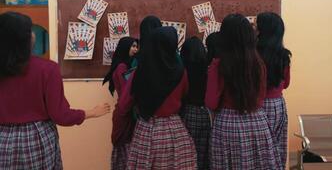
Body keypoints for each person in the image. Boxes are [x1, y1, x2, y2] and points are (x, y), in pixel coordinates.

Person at [0, 12, 110, 169]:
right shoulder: (46, 69)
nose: (33, 35)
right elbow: (60, 115)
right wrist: (91, 112)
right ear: (23, 39)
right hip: (36, 139)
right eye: (29, 31)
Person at [205, 13, 282, 170]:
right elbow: (260, 98)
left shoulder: (219, 65)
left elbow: (211, 102)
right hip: (258, 123)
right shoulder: (259, 63)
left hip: (227, 127)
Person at [118, 27, 197, 169]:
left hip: (147, 130)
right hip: (176, 132)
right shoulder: (181, 72)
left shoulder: (139, 72)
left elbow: (124, 105)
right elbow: (185, 94)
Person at [257, 12, 291, 169]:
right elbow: (286, 84)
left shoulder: (254, 53)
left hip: (257, 105)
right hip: (278, 105)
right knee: (277, 147)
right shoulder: (284, 55)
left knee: (259, 150)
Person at [103, 37, 138, 170]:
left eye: (136, 47)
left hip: (124, 112)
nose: (135, 49)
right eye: (133, 46)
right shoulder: (122, 67)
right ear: (125, 47)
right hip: (124, 114)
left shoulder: (125, 65)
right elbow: (126, 93)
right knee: (125, 153)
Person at [179, 36, 210, 170]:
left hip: (189, 112)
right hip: (206, 114)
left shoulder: (182, 71)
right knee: (203, 155)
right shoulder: (208, 70)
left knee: (188, 156)